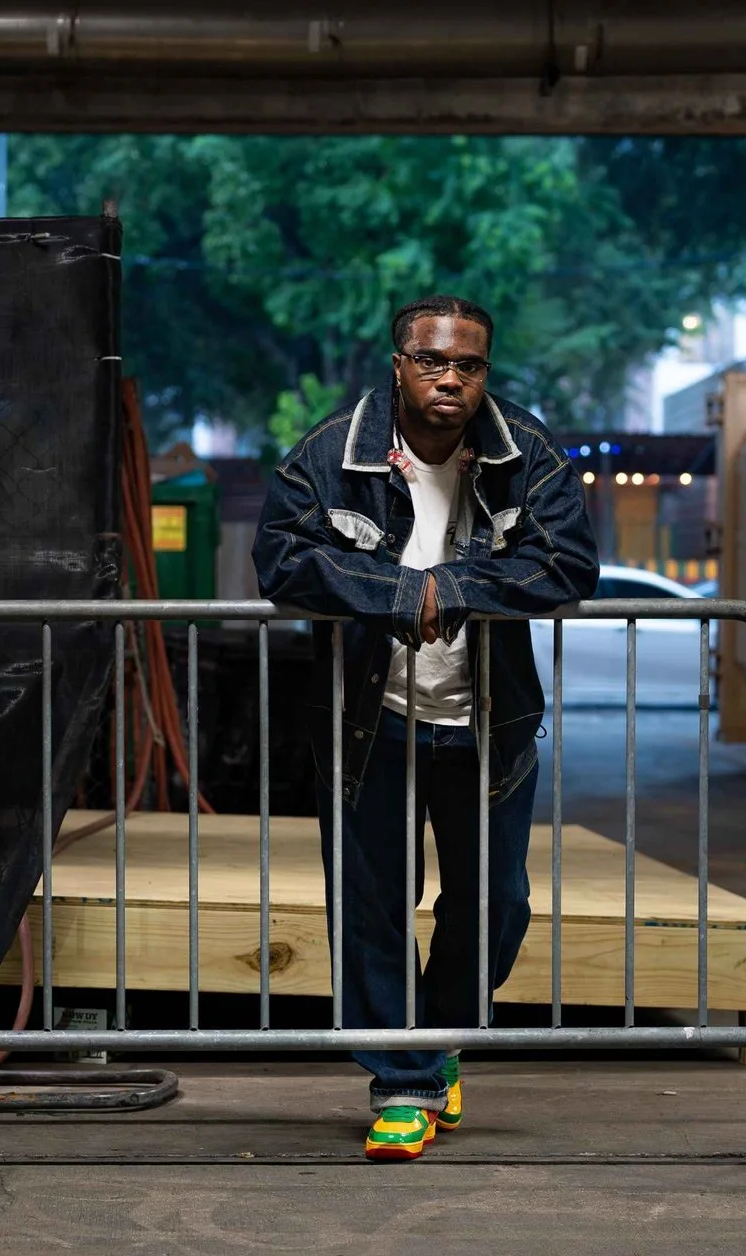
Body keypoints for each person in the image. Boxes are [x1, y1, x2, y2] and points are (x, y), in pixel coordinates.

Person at [251, 294, 600, 1161]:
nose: (452, 378)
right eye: (433, 361)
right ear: (399, 363)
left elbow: (569, 561)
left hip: (489, 723)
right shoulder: (332, 453)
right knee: (372, 909)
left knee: (497, 906)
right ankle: (403, 1085)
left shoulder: (528, 453)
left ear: (486, 372)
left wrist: (458, 585)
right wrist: (400, 593)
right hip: (371, 723)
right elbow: (282, 557)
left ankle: (434, 1043)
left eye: (469, 365)